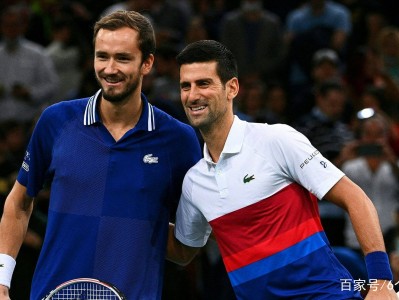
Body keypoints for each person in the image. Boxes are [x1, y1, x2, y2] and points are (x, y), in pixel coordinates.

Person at [167, 39, 397, 299]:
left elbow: (356, 198)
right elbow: (184, 251)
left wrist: (381, 281)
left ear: (232, 88)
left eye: (204, 83)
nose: (192, 95)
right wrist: (131, 213)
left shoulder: (276, 140)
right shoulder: (194, 182)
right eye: (186, 86)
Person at [0, 10, 201, 299]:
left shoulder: (178, 140)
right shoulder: (56, 121)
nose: (109, 68)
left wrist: (144, 229)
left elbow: (184, 250)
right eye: (102, 56)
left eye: (122, 58)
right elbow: (19, 203)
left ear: (147, 63)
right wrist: (2, 279)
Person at [0, 5, 59, 123]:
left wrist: (29, 93)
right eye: (7, 25)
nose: (11, 29)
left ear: (23, 26)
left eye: (15, 25)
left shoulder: (38, 54)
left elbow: (52, 86)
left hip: (29, 122)